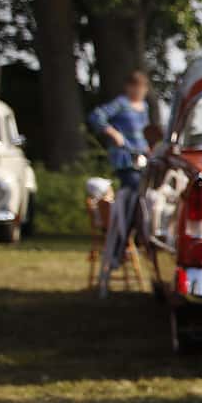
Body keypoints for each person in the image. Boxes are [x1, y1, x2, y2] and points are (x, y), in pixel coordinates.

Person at [88, 70, 153, 296]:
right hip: (126, 159)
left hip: (142, 158)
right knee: (132, 194)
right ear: (129, 87)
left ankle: (135, 237)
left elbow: (144, 134)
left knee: (144, 199)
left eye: (142, 87)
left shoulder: (143, 108)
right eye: (136, 87)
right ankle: (119, 245)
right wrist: (111, 132)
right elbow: (97, 116)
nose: (139, 91)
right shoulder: (122, 103)